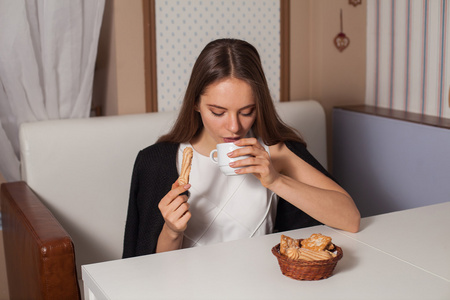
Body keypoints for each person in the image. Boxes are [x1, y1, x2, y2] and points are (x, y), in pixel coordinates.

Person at [122, 38, 360, 258]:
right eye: (218, 112)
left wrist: (276, 180)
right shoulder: (156, 163)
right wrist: (172, 230)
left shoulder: (275, 152)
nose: (234, 127)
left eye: (247, 112)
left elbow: (351, 219)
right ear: (195, 103)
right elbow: (150, 269)